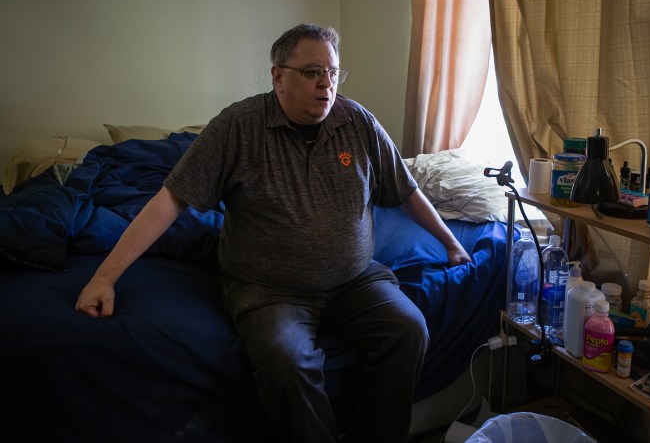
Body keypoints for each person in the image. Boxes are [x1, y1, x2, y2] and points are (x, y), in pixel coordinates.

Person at [75, 23, 471, 442]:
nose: (326, 84)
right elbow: (170, 200)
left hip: (354, 279)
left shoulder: (358, 123)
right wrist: (105, 276)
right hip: (268, 288)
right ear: (278, 76)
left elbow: (406, 190)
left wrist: (450, 242)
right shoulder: (238, 127)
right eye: (312, 72)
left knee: (409, 330)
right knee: (287, 362)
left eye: (334, 73)